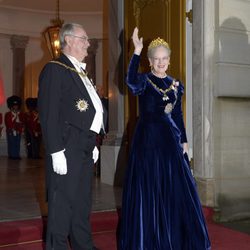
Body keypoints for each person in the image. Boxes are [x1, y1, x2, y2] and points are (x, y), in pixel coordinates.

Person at [119, 27, 211, 250]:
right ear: (150, 61)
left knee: (175, 188)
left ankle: (174, 236)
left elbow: (178, 115)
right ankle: (148, 239)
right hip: (148, 141)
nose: (160, 62)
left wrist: (185, 143)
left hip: (170, 141)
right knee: (149, 188)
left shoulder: (176, 85)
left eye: (164, 58)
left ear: (169, 60)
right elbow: (130, 82)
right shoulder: (143, 80)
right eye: (156, 59)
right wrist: (137, 51)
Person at [38, 23, 105, 250]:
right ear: (69, 40)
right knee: (62, 204)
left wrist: (92, 139)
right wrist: (56, 151)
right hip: (67, 147)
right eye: (84, 38)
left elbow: (86, 111)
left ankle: (84, 246)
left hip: (84, 144)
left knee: (81, 203)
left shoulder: (79, 70)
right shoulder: (55, 68)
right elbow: (49, 113)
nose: (88, 43)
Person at [4, 95, 24, 160]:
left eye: (17, 105)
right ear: (11, 106)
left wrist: (20, 128)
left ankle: (17, 155)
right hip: (11, 131)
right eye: (14, 105)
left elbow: (21, 122)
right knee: (11, 143)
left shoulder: (20, 114)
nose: (16, 107)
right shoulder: (8, 114)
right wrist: (15, 117)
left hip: (18, 131)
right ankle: (12, 155)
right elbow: (8, 123)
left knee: (17, 143)